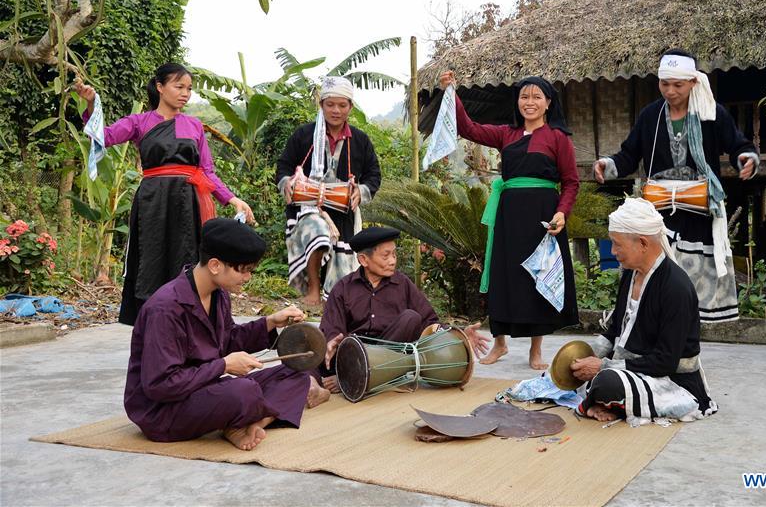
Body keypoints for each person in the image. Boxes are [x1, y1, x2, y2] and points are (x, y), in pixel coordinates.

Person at [124, 218, 330, 451]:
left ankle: (251, 423)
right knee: (243, 391)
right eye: (244, 270)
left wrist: (271, 323)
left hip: (205, 390)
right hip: (162, 411)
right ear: (215, 265)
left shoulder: (219, 295)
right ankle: (241, 419)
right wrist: (223, 366)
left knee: (294, 372)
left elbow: (228, 339)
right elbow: (160, 385)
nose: (248, 278)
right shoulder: (165, 308)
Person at [77, 64, 254, 325]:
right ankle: (153, 322)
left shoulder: (194, 126)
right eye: (178, 86)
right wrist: (92, 104)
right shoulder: (140, 122)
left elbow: (207, 171)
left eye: (189, 89)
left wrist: (232, 198)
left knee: (188, 259)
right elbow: (103, 136)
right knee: (151, 259)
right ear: (160, 87)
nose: (185, 93)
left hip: (187, 202)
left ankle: (189, 322)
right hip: (152, 202)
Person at [593, 49, 759, 322]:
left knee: (691, 284)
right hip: (658, 214)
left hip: (698, 212)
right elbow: (629, 155)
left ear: (693, 82)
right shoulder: (650, 116)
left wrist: (745, 158)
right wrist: (608, 165)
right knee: (652, 273)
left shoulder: (711, 114)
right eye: (664, 84)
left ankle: (685, 342)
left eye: (678, 85)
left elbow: (738, 144)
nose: (670, 91)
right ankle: (644, 335)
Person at [437, 71, 579, 370]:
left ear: (548, 103)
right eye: (524, 96)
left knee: (537, 276)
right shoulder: (506, 134)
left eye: (536, 97)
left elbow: (571, 182)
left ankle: (535, 351)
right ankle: (500, 345)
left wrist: (562, 213)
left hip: (543, 217)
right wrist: (451, 92)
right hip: (509, 215)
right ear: (517, 102)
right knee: (504, 275)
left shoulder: (558, 138)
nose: (529, 102)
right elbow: (468, 127)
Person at [569, 198, 716, 425]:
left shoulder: (675, 287)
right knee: (573, 370)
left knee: (606, 382)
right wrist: (584, 355)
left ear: (643, 243)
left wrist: (603, 366)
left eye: (617, 244)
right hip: (632, 370)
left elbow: (665, 362)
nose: (613, 251)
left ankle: (611, 401)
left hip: (671, 380)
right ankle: (612, 402)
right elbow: (616, 330)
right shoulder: (630, 273)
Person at [319, 226, 491, 393]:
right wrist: (332, 342)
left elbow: (429, 321)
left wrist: (457, 334)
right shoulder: (343, 288)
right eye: (386, 256)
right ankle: (354, 373)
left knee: (411, 318)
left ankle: (355, 378)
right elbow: (332, 329)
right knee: (308, 354)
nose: (393, 261)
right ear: (364, 260)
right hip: (356, 354)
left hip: (392, 356)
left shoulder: (402, 284)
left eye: (394, 254)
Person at [275, 76, 381, 306]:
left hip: (343, 212)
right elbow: (284, 165)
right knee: (318, 234)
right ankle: (313, 290)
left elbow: (374, 175)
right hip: (308, 208)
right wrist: (288, 182)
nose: (336, 110)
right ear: (321, 105)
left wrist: (360, 192)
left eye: (342, 105)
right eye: (330, 104)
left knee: (342, 262)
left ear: (350, 107)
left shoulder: (360, 140)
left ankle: (333, 300)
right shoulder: (304, 135)